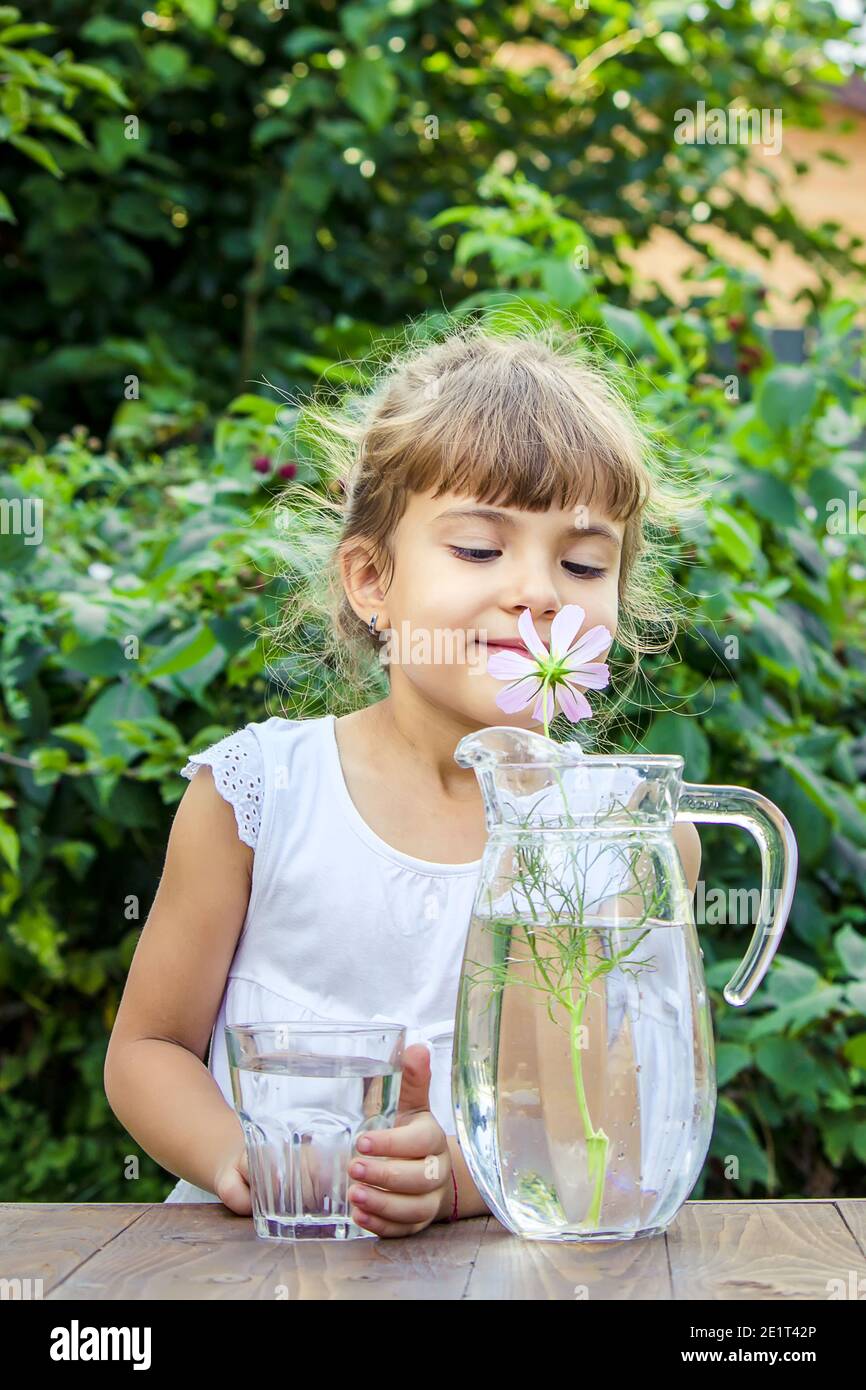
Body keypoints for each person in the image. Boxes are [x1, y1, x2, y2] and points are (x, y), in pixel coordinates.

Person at [103, 319, 702, 1238]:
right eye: (478, 549)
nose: (539, 591)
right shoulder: (256, 798)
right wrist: (242, 1158)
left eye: (583, 562)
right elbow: (148, 1050)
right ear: (372, 580)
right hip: (259, 1265)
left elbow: (603, 1128)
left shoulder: (625, 834)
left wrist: (457, 1178)